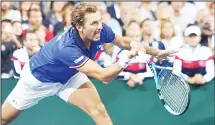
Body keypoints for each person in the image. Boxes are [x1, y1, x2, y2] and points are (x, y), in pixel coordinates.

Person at [1, 3, 176, 125]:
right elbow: (104, 76)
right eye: (94, 23)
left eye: (100, 21)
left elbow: (123, 41)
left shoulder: (100, 30)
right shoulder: (66, 48)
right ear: (79, 26)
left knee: (99, 111)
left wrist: (157, 52)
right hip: (36, 81)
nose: (100, 26)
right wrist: (126, 58)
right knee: (4, 119)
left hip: (68, 76)